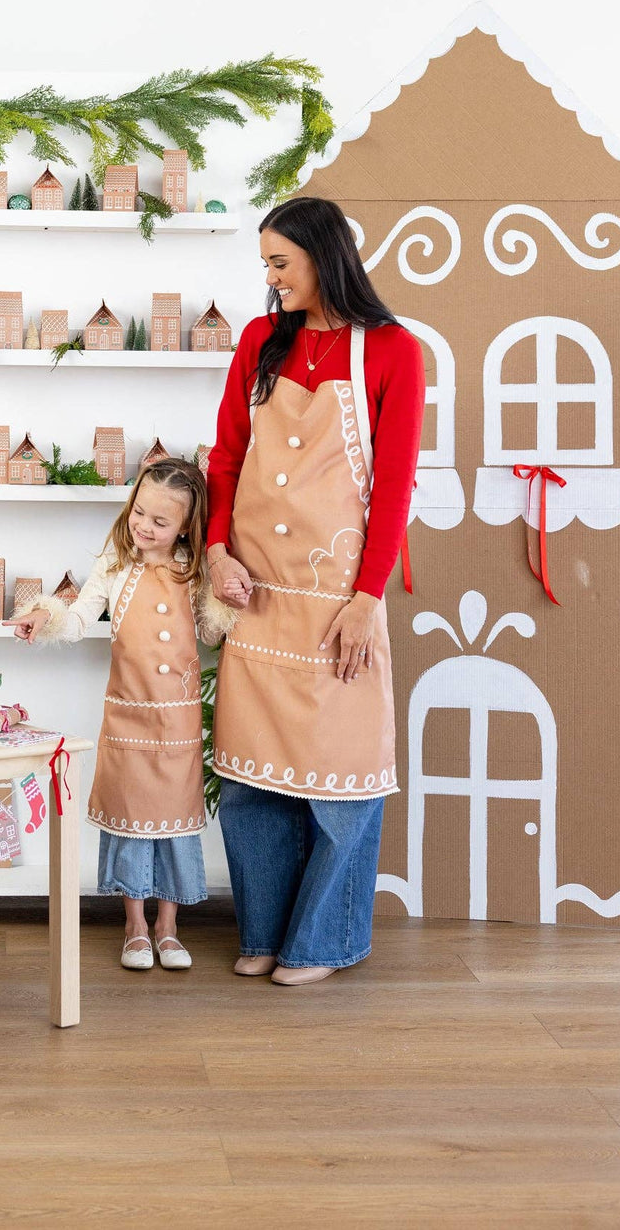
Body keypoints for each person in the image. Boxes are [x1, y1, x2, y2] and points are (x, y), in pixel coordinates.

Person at [207, 196, 424, 986]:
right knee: (251, 779)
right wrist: (216, 549)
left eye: (279, 263)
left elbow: (395, 484)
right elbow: (227, 455)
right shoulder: (262, 341)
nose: (270, 279)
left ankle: (323, 942)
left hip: (339, 599)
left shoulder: (394, 350)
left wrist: (367, 598)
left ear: (322, 258)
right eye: (266, 264)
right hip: (256, 591)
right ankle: (264, 933)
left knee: (342, 780)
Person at [13, 459, 236, 971]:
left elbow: (208, 634)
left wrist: (228, 606)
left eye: (161, 522)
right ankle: (135, 926)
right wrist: (45, 615)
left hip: (177, 721)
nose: (145, 527)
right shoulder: (115, 562)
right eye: (140, 513)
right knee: (132, 818)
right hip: (127, 716)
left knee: (176, 823)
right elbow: (80, 615)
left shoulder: (194, 566)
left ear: (186, 525)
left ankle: (169, 928)